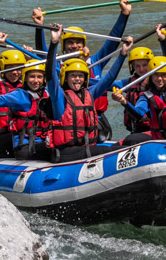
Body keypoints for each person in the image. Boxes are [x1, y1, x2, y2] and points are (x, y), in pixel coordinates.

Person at [32, 0, 132, 140]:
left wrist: (124, 14)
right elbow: (45, 56)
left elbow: (112, 42)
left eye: (78, 42)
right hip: (69, 121)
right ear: (64, 46)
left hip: (95, 121)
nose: (74, 46)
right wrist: (39, 26)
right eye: (70, 43)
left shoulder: (95, 61)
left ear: (83, 44)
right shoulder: (58, 65)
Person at [46, 25, 133, 162]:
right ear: (65, 78)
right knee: (113, 151)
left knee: (128, 144)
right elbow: (50, 74)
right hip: (65, 152)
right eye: (73, 76)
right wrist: (54, 43)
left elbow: (108, 78)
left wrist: (122, 54)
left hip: (85, 147)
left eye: (80, 76)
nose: (77, 79)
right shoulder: (58, 96)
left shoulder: (89, 93)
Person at [0, 54, 52, 160]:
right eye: (32, 76)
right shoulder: (20, 95)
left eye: (39, 77)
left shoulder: (47, 93)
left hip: (41, 142)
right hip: (24, 147)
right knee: (56, 150)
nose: (36, 80)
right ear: (25, 78)